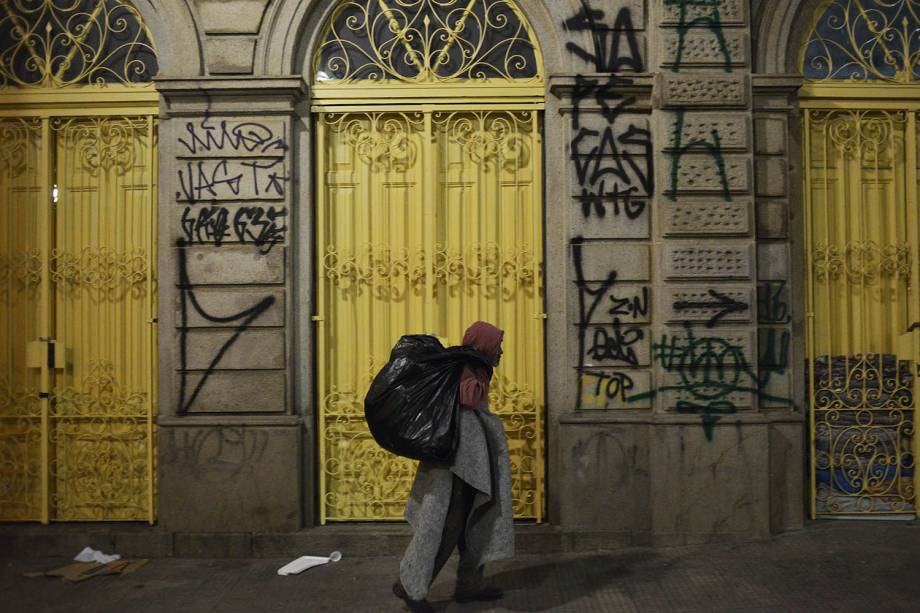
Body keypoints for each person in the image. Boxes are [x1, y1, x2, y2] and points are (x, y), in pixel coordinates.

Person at [393, 321, 514, 613]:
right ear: (484, 343)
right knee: (444, 525)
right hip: (455, 461)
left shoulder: (472, 362)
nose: (500, 350)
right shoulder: (464, 362)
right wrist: (482, 367)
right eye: (496, 344)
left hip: (471, 460)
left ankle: (469, 585)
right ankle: (412, 586)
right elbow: (469, 398)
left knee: (475, 522)